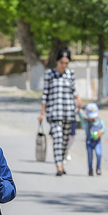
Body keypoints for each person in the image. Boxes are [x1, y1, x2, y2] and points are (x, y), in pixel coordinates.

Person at [38, 48, 82, 176]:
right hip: (54, 113)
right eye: (62, 62)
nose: (64, 65)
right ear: (57, 61)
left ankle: (61, 161)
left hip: (69, 112)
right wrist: (42, 113)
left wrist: (78, 99)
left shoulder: (70, 74)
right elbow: (45, 94)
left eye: (66, 63)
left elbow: (74, 91)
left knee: (65, 140)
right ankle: (58, 166)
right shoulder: (49, 74)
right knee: (57, 138)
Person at [79, 102, 105, 176]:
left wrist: (101, 132)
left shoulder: (100, 122)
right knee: (90, 156)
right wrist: (79, 109)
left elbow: (103, 129)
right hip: (89, 141)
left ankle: (98, 168)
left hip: (97, 141)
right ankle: (90, 169)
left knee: (99, 154)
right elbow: (81, 117)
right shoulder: (87, 122)